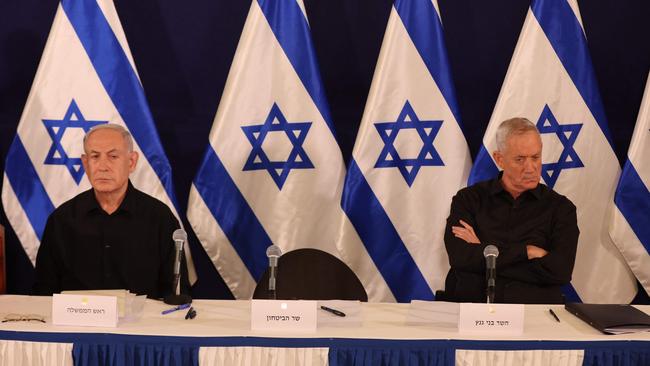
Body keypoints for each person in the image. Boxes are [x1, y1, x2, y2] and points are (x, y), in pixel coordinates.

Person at [33, 124, 188, 299]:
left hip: (141, 323)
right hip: (77, 323)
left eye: (113, 156)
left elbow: (176, 291)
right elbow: (44, 291)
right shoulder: (62, 219)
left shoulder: (160, 217)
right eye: (95, 156)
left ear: (131, 162)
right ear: (85, 163)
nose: (102, 166)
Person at [443, 118, 579, 304]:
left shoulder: (561, 209)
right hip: (471, 308)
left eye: (535, 157)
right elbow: (460, 258)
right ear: (499, 159)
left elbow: (560, 271)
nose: (530, 168)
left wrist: (485, 251)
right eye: (520, 159)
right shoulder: (468, 200)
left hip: (535, 316)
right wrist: (527, 252)